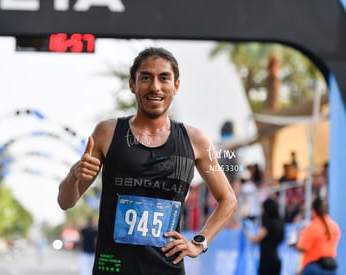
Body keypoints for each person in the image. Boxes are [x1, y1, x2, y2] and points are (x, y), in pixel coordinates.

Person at [57, 47, 237, 275]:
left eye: (164, 78)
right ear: (132, 85)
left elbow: (228, 200)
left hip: (166, 270)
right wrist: (75, 173)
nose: (155, 87)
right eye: (146, 77)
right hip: (113, 268)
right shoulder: (107, 132)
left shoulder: (196, 141)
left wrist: (199, 243)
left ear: (176, 86)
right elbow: (65, 201)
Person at [295, 198, 340, 275]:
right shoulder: (335, 226)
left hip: (314, 267)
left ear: (313, 210)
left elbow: (303, 248)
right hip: (331, 267)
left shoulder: (312, 227)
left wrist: (296, 244)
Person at [243, 198, 285, 275]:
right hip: (276, 259)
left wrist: (246, 231)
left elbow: (255, 239)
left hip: (267, 261)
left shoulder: (268, 224)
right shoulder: (280, 223)